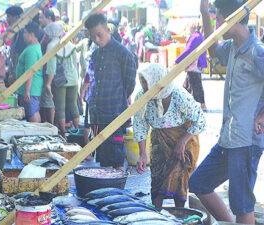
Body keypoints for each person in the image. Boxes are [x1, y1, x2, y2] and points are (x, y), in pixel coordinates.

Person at [188, 0, 264, 224]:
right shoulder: (232, 48)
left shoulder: (256, 52)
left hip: (246, 141)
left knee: (242, 203)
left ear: (232, 19)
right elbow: (212, 48)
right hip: (228, 139)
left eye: (218, 18)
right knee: (199, 182)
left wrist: (262, 115)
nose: (217, 22)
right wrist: (204, 13)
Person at [134, 63, 205, 208]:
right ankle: (157, 215)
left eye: (148, 84)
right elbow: (140, 125)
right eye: (143, 84)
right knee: (158, 181)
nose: (145, 88)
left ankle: (180, 214)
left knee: (179, 180)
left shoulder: (179, 95)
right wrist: (142, 154)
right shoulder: (142, 96)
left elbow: (200, 120)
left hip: (184, 139)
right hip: (159, 141)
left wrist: (182, 143)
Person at [85, 13, 138, 170]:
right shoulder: (95, 54)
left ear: (108, 30)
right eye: (93, 36)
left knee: (116, 156)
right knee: (103, 158)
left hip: (114, 113)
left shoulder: (123, 53)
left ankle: (118, 187)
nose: (96, 39)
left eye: (99, 35)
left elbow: (129, 83)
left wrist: (117, 97)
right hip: (98, 113)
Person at [45, 23, 80, 136]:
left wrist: (48, 84)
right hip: (73, 78)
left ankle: (63, 133)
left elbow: (51, 68)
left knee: (60, 108)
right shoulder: (70, 44)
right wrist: (76, 78)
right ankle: (77, 130)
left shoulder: (51, 46)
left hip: (60, 81)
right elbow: (75, 64)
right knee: (73, 104)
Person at [175, 20, 208, 111]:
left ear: (192, 27)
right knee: (188, 84)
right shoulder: (199, 36)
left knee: (195, 84)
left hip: (194, 64)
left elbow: (188, 50)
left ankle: (202, 104)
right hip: (196, 63)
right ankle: (183, 104)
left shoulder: (195, 37)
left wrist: (177, 60)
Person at [16, 22, 43, 122]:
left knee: (32, 112)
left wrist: (27, 90)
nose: (23, 35)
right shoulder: (33, 47)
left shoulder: (32, 50)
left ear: (32, 34)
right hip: (30, 88)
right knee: (31, 111)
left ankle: (35, 133)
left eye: (25, 33)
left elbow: (30, 71)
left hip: (31, 88)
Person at [39, 9, 56, 124]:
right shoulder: (47, 33)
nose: (39, 20)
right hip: (48, 71)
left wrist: (49, 81)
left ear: (49, 18)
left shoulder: (50, 34)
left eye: (41, 17)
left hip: (50, 72)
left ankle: (51, 125)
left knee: (49, 100)